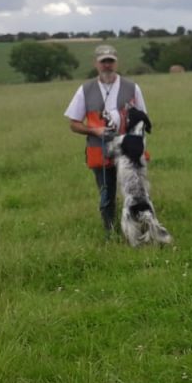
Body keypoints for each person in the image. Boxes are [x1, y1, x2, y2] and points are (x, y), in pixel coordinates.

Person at [63, 44, 147, 238]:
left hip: (128, 152)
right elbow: (73, 124)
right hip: (99, 151)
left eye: (110, 61)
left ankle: (137, 230)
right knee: (107, 196)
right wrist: (95, 130)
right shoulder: (85, 90)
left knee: (134, 192)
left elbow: (143, 119)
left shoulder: (132, 87)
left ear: (117, 63)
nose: (107, 65)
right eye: (103, 62)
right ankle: (111, 233)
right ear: (96, 64)